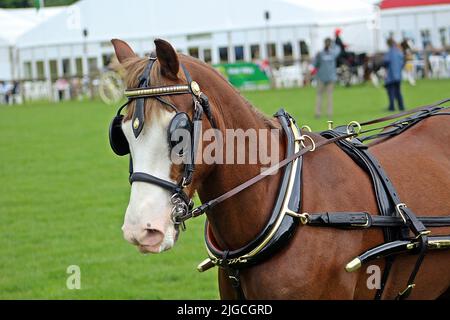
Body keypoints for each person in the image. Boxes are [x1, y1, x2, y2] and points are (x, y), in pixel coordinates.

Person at [314, 38, 341, 118]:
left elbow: (315, 64)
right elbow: (339, 49)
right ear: (330, 44)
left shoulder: (320, 54)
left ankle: (318, 113)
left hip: (321, 77)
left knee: (319, 95)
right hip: (331, 77)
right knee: (329, 96)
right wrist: (333, 44)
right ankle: (329, 113)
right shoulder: (333, 53)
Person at [384, 38, 405, 111]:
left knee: (391, 92)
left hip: (391, 75)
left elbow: (386, 61)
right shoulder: (399, 52)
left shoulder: (389, 52)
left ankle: (391, 107)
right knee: (398, 92)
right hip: (398, 75)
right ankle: (401, 106)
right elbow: (402, 63)